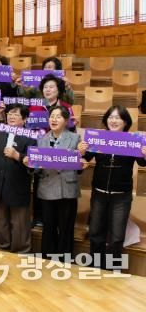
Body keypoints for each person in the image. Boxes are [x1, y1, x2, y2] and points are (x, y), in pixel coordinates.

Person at [79, 105, 146, 268]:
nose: (113, 121)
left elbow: (142, 162)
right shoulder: (98, 138)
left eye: (118, 118)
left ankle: (112, 271)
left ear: (125, 122)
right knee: (96, 234)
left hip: (121, 197)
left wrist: (145, 154)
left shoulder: (133, 140)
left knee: (116, 237)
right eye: (110, 117)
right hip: (99, 194)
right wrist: (82, 151)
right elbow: (85, 158)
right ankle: (95, 268)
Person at [24, 106, 81, 259]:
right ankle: (48, 261)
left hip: (66, 189)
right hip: (47, 188)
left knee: (65, 229)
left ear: (66, 121)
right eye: (51, 116)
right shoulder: (41, 139)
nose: (54, 119)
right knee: (48, 228)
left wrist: (81, 157)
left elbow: (79, 165)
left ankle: (64, 261)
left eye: (58, 116)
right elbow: (37, 168)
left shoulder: (75, 138)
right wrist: (31, 165)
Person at [0, 103, 35, 253]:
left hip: (18, 186)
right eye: (9, 113)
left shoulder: (31, 137)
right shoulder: (1, 133)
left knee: (19, 224)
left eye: (16, 114)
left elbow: (34, 163)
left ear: (24, 119)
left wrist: (17, 156)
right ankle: (3, 248)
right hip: (0, 185)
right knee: (2, 222)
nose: (11, 116)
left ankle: (21, 252)